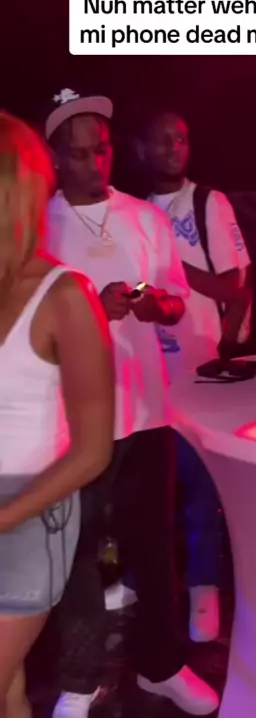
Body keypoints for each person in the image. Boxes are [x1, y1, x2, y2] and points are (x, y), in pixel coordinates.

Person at [44, 90, 219, 717]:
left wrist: (156, 305)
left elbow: (174, 299)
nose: (95, 163)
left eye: (103, 149)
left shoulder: (144, 218)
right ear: (54, 159)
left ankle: (160, 665)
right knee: (77, 552)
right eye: (79, 154)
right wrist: (95, 309)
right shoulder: (38, 227)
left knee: (151, 544)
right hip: (72, 418)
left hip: (145, 408)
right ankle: (79, 679)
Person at [0, 112, 114, 718]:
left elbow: (93, 451)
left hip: (30, 511)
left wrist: (3, 517)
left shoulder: (66, 296)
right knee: (7, 689)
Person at [136, 107, 251, 642]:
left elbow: (231, 286)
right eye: (161, 140)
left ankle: (205, 589)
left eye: (180, 138)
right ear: (141, 149)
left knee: (201, 482)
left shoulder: (207, 202)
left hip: (200, 364)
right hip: (149, 369)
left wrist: (169, 265)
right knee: (153, 484)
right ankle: (147, 583)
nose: (172, 148)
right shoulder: (134, 211)